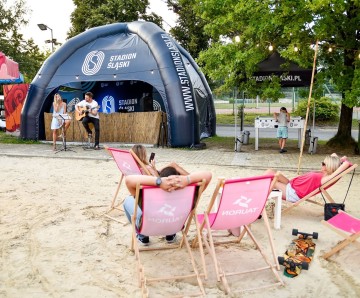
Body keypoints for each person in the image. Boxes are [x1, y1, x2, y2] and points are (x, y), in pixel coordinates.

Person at [123, 166, 212, 245]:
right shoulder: (191, 194)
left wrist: (158, 182)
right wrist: (187, 179)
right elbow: (208, 175)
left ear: (161, 178)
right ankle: (170, 235)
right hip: (175, 227)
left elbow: (128, 180)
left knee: (128, 200)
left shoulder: (147, 194)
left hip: (148, 228)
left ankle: (143, 237)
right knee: (173, 212)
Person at [265, 153, 352, 202]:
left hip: (293, 193)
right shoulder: (324, 172)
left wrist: (344, 162)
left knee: (271, 182)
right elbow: (334, 155)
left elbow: (346, 164)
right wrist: (340, 160)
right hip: (291, 185)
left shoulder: (327, 179)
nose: (321, 164)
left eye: (324, 164)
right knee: (270, 172)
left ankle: (257, 199)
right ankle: (253, 187)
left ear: (330, 167)